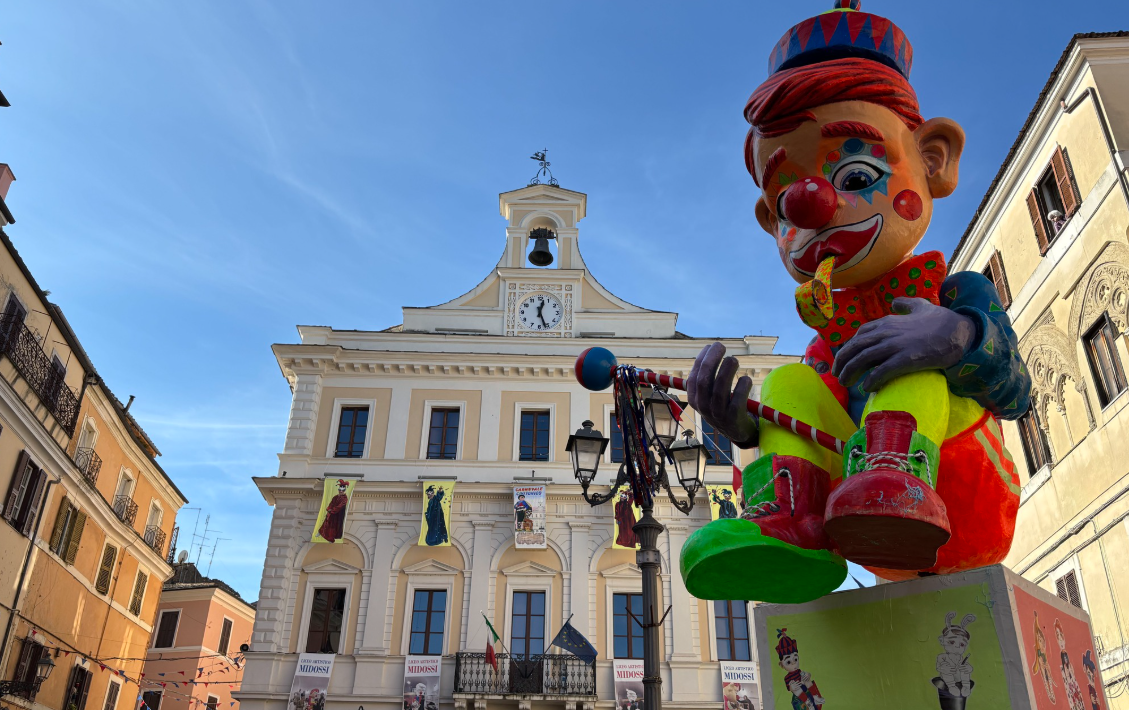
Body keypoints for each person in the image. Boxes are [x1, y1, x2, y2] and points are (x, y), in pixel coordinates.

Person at [680, 0, 1031, 604]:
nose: (813, 204)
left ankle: (896, 481)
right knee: (789, 383)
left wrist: (956, 337)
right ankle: (792, 522)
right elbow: (815, 418)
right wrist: (747, 428)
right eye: (786, 202)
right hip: (857, 522)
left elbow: (1016, 391)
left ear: (933, 159)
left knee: (909, 356)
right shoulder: (829, 339)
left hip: (969, 503)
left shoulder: (957, 295)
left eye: (858, 174)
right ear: (772, 221)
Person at [933, 612, 976, 701]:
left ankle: (966, 687)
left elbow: (968, 669)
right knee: (946, 670)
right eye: (952, 642)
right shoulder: (943, 656)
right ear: (942, 641)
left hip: (960, 679)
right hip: (947, 681)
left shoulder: (961, 658)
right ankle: (951, 686)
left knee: (965, 669)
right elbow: (939, 667)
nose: (957, 647)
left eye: (962, 644)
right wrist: (945, 668)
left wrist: (968, 668)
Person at [776, 629, 823, 710]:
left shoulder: (799, 671)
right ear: (782, 664)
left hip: (805, 687)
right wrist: (792, 687)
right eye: (788, 662)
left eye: (795, 659)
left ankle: (815, 697)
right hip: (800, 694)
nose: (793, 663)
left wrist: (808, 676)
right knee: (796, 689)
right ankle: (809, 704)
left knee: (806, 678)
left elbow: (806, 678)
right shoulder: (787, 678)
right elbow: (789, 688)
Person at [1057, 620, 1086, 710]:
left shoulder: (1070, 665)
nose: (1060, 639)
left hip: (1076, 693)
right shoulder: (1061, 668)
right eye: (1058, 636)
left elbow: (1075, 681)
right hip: (1072, 697)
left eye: (1061, 635)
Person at [1031, 611, 1058, 703]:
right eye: (1039, 640)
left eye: (1041, 640)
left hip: (1046, 669)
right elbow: (1035, 669)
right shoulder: (1038, 652)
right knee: (1046, 680)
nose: (1040, 641)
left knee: (1049, 679)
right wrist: (1036, 619)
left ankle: (1051, 693)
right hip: (1042, 669)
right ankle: (1050, 694)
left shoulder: (1044, 651)